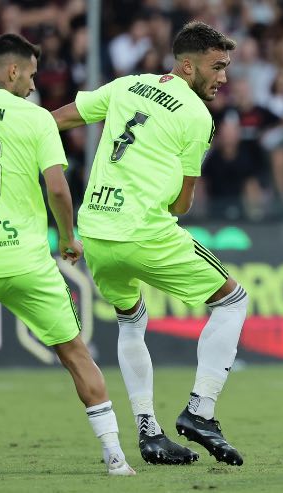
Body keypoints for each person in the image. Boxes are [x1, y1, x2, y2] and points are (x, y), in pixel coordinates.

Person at [52, 22, 247, 466]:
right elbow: (181, 203)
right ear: (187, 65)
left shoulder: (127, 85)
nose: (223, 77)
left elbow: (59, 119)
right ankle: (201, 411)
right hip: (144, 230)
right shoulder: (198, 117)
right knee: (233, 299)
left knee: (131, 319)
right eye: (217, 67)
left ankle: (149, 431)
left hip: (96, 228)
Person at [0, 33, 134, 476]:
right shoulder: (35, 120)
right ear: (13, 71)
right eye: (32, 75)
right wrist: (68, 237)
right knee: (75, 352)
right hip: (24, 259)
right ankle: (115, 456)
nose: (34, 85)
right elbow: (57, 187)